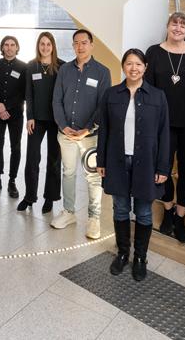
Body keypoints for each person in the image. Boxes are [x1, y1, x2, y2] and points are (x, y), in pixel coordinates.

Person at [97, 49, 169, 282]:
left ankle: (140, 257)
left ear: (145, 67)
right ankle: (122, 253)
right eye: (129, 64)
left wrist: (162, 168)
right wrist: (101, 161)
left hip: (146, 163)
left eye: (138, 64)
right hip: (117, 161)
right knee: (119, 209)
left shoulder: (157, 96)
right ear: (123, 67)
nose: (134, 68)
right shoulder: (111, 94)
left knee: (144, 212)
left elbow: (164, 134)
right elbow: (104, 131)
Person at [145, 12, 185, 243]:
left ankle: (181, 217)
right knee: (162, 168)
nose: (178, 28)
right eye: (175, 24)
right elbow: (147, 89)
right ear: (167, 26)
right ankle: (168, 209)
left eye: (183, 25)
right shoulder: (154, 52)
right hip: (162, 123)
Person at [51, 28, 111, 239]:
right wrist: (63, 125)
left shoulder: (102, 72)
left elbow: (103, 105)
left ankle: (94, 219)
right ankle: (69, 212)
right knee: (68, 173)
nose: (79, 46)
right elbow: (56, 100)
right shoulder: (65, 70)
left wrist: (87, 128)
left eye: (84, 42)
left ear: (91, 45)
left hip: (90, 135)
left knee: (93, 178)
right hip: (66, 133)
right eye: (76, 43)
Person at [18, 32, 65, 214]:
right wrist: (29, 116)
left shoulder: (62, 66)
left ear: (53, 46)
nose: (45, 47)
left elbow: (64, 96)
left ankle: (50, 198)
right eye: (42, 44)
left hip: (56, 120)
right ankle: (29, 197)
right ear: (38, 46)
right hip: (36, 120)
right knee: (32, 159)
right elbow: (28, 94)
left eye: (48, 44)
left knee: (54, 160)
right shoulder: (31, 65)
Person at [0, 35, 28, 197]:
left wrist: (6, 107)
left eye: (12, 45)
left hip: (16, 114)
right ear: (2, 48)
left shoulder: (24, 67)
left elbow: (24, 92)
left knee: (15, 147)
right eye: (6, 45)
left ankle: (12, 181)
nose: (9, 48)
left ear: (17, 48)